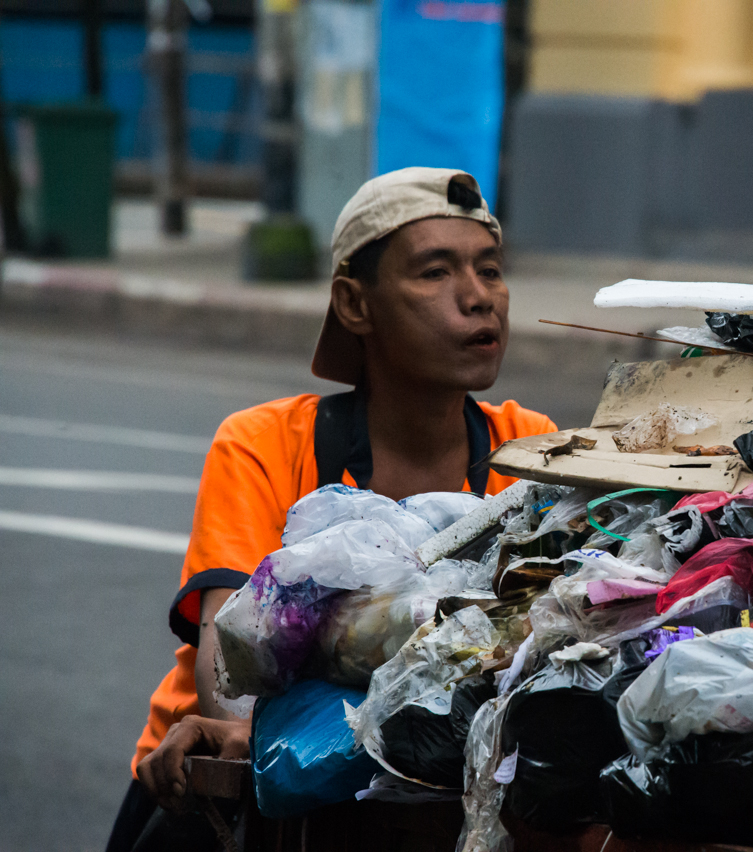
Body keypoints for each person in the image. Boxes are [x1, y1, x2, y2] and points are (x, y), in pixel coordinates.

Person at [106, 168, 557, 851]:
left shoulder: (528, 446)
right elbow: (224, 660)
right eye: (435, 273)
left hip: (429, 777)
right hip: (231, 791)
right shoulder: (266, 443)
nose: (477, 298)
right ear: (354, 304)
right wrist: (240, 729)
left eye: (489, 270)